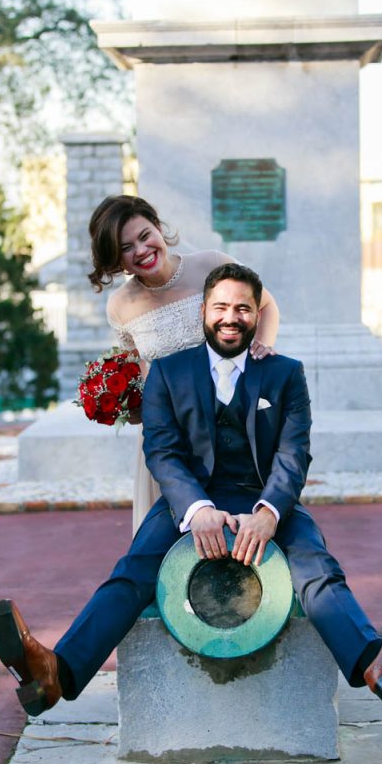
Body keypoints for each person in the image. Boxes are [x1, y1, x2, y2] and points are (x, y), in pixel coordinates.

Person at [0, 263, 382, 716]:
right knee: (134, 570)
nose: (230, 317)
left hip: (266, 497)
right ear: (204, 310)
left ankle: (377, 661)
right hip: (192, 500)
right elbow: (161, 451)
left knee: (317, 568)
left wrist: (269, 512)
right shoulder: (168, 372)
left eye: (243, 308)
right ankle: (55, 672)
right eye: (221, 306)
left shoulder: (285, 373)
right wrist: (196, 508)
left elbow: (293, 454)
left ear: (258, 315)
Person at [88, 195, 280, 532]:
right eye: (126, 247)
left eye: (145, 235)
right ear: (116, 259)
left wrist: (259, 354)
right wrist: (128, 407)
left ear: (159, 228)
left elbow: (266, 305)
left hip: (231, 426)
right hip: (171, 441)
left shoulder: (212, 264)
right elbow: (140, 376)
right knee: (174, 543)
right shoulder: (120, 306)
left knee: (244, 534)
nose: (142, 250)